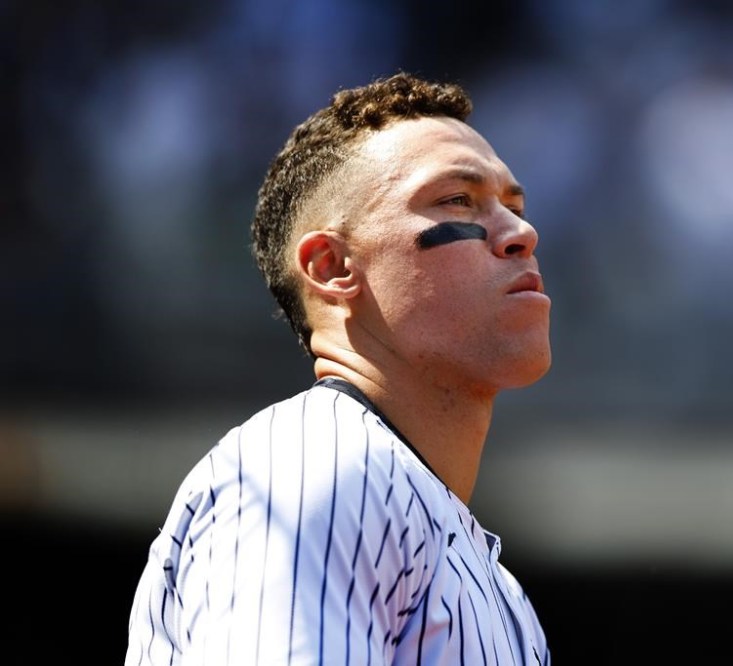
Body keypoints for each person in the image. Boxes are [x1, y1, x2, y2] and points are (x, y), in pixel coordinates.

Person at [125, 72, 552, 665]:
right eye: (458, 199)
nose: (522, 233)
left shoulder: (488, 573)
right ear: (331, 267)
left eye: (515, 206)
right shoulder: (318, 467)